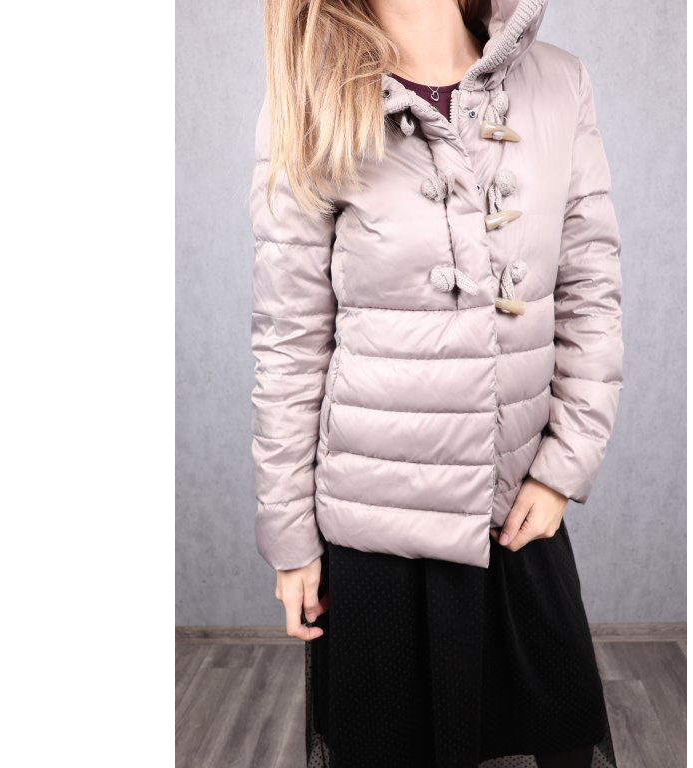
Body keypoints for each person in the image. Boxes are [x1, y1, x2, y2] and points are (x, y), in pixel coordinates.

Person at [249, 0, 623, 766]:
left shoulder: (561, 84)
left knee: (556, 740)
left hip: (515, 510)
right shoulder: (314, 100)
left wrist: (563, 467)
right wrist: (289, 539)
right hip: (375, 531)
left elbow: (592, 294)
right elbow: (289, 339)